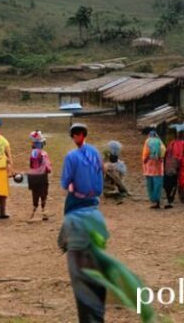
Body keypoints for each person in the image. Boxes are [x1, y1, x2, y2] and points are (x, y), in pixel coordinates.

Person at [59, 123, 108, 323]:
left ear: (80, 135)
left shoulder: (72, 157)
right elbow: (101, 174)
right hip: (93, 201)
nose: (73, 138)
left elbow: (64, 182)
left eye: (75, 135)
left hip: (77, 199)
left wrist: (71, 185)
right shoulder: (95, 152)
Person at [27, 130, 52, 221]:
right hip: (42, 176)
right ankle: (43, 211)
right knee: (43, 193)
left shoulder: (33, 152)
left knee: (35, 193)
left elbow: (31, 164)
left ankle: (34, 211)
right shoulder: (44, 153)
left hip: (33, 176)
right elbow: (48, 167)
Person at [164, 124, 184, 208]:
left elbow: (168, 153)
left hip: (175, 165)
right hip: (180, 165)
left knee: (178, 182)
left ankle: (178, 197)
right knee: (180, 181)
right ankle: (181, 197)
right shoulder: (183, 144)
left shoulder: (173, 143)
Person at [142, 128, 166, 209]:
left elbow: (145, 154)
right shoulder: (160, 142)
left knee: (150, 184)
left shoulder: (147, 141)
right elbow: (163, 152)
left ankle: (153, 200)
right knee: (158, 185)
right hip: (158, 167)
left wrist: (145, 161)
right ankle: (158, 201)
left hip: (149, 167)